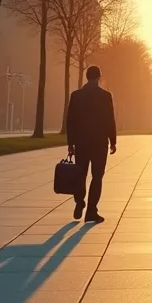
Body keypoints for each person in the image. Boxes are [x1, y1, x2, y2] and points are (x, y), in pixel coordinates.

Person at [66, 65, 117, 224]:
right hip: (99, 142)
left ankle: (79, 201)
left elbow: (70, 121)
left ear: (87, 77)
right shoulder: (106, 96)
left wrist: (70, 143)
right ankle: (91, 211)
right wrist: (113, 141)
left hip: (81, 142)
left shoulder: (76, 96)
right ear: (99, 77)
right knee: (97, 176)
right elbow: (110, 119)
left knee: (80, 174)